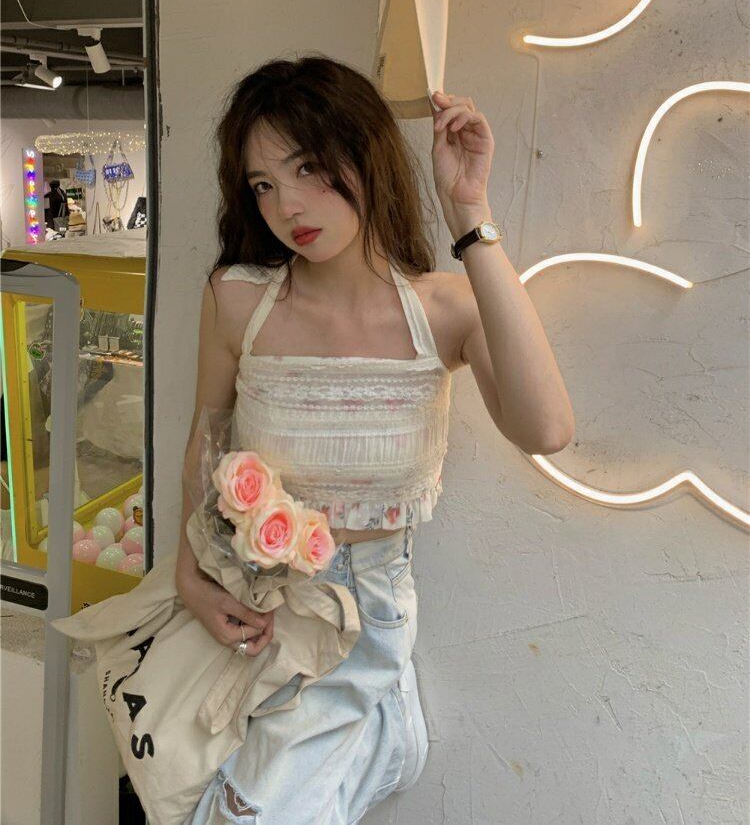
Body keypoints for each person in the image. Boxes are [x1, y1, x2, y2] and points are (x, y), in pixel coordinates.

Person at [175, 55, 575, 823]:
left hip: (366, 612)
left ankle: (383, 718)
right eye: (262, 185)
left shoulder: (441, 311)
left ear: (365, 156)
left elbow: (547, 428)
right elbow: (207, 436)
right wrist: (190, 577)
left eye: (307, 168)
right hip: (254, 603)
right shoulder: (237, 300)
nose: (287, 205)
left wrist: (469, 215)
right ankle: (388, 734)